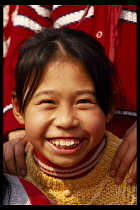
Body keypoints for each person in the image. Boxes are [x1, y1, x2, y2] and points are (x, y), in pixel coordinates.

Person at [3, 5, 137, 185]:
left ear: (111, 105)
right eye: (48, 101)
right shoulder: (14, 180)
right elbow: (21, 60)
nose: (66, 121)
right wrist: (20, 135)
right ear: (18, 108)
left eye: (83, 101)